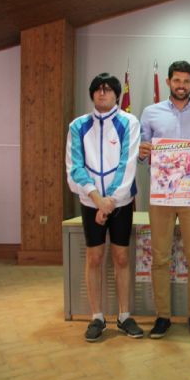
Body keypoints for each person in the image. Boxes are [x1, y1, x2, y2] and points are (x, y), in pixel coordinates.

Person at [139, 61, 190, 339]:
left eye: (186, 81)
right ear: (169, 82)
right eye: (176, 80)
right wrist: (142, 151)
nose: (181, 85)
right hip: (161, 194)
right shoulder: (151, 112)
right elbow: (141, 153)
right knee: (160, 257)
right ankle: (163, 317)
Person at [66, 73, 143, 342]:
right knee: (94, 258)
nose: (102, 93)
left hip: (120, 202)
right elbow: (75, 167)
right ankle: (97, 317)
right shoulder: (78, 126)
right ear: (92, 94)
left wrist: (110, 201)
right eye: (98, 89)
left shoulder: (129, 122)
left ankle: (124, 316)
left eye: (108, 89)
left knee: (121, 258)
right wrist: (98, 200)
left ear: (117, 95)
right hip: (91, 202)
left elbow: (127, 164)